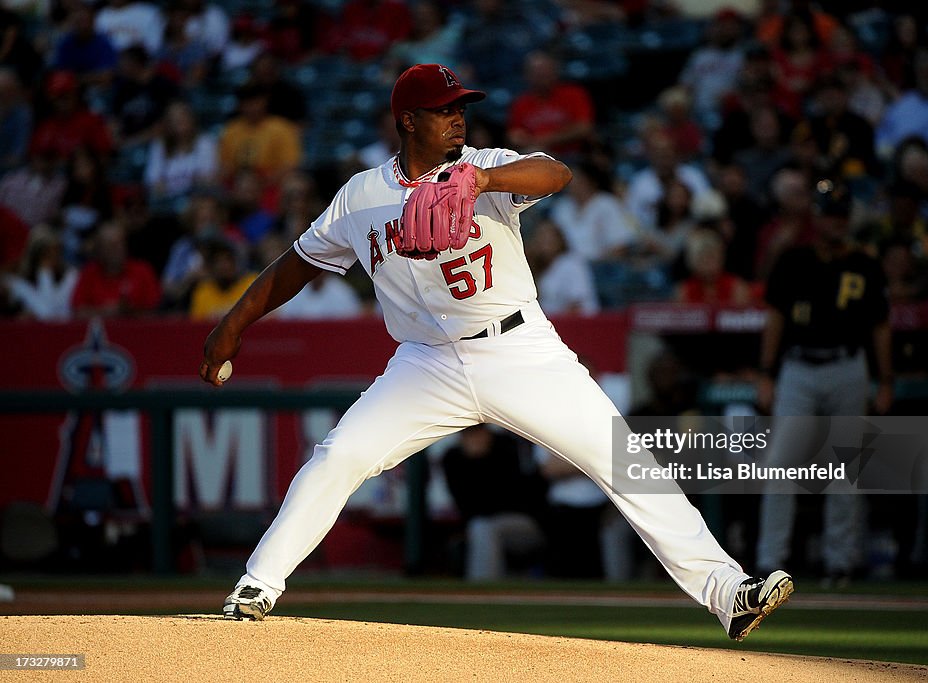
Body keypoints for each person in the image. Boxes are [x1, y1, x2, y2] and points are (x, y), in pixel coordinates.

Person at [203, 63, 793, 640]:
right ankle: (257, 585)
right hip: (425, 362)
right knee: (338, 456)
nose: (459, 118)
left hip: (518, 349)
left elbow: (555, 172)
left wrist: (485, 182)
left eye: (462, 107)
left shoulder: (483, 166)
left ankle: (726, 592)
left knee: (622, 458)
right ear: (407, 121)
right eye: (444, 110)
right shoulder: (362, 196)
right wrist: (233, 324)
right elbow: (299, 263)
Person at [755, 179, 893, 586]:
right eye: (829, 214)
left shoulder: (865, 263)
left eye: (841, 215)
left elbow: (880, 326)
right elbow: (775, 318)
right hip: (798, 368)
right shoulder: (794, 260)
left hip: (849, 365)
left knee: (845, 468)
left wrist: (885, 380)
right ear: (816, 217)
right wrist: (766, 373)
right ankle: (769, 562)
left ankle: (840, 562)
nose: (836, 222)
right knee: (781, 465)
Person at [441, 424, 547, 581]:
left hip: (527, 523)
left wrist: (481, 461)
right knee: (481, 527)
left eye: (478, 431)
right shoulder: (453, 457)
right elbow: (467, 506)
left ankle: (482, 595)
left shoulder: (506, 447)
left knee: (483, 527)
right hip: (482, 526)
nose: (475, 438)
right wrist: (473, 462)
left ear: (487, 431)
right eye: (468, 433)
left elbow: (511, 498)